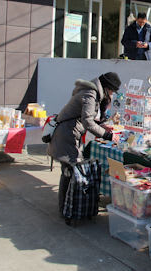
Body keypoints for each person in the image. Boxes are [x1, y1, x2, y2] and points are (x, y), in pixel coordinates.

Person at [47, 72, 121, 215]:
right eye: (111, 90)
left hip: (71, 132)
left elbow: (91, 118)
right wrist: (107, 135)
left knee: (69, 170)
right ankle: (65, 209)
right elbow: (87, 121)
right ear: (106, 88)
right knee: (68, 170)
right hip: (67, 134)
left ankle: (68, 206)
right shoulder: (90, 93)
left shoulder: (93, 92)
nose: (112, 94)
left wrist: (104, 125)